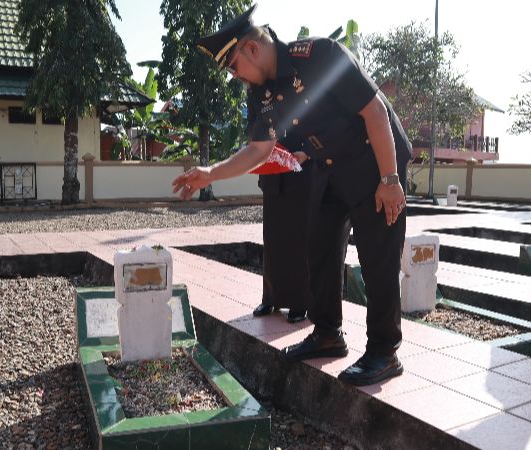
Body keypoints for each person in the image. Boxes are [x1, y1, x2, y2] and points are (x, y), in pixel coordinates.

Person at [174, 4, 412, 386]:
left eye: (234, 66)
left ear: (252, 49)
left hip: (374, 158)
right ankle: (327, 334)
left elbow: (376, 112)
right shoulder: (262, 92)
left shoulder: (319, 56)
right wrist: (209, 174)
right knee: (319, 243)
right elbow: (258, 150)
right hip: (329, 164)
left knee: (377, 252)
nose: (236, 76)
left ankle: (384, 352)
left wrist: (389, 178)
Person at [252, 115, 311, 323]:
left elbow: (318, 125)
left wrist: (308, 151)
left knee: (297, 241)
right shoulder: (264, 95)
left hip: (299, 172)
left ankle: (300, 302)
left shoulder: (301, 88)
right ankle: (270, 298)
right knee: (272, 239)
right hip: (272, 174)